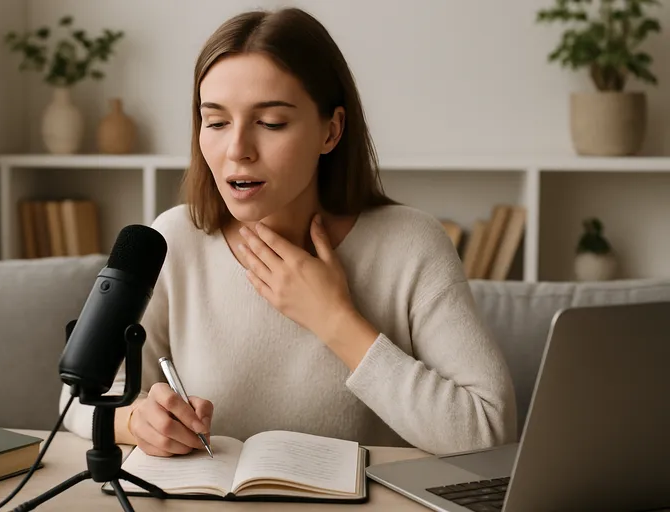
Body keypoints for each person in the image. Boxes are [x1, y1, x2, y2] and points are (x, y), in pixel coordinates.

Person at [61, 6, 517, 457]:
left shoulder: (411, 243)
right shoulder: (176, 238)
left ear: (331, 131)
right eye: (216, 122)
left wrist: (334, 318)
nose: (237, 150)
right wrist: (134, 419)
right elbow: (76, 397)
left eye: (271, 123)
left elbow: (490, 430)